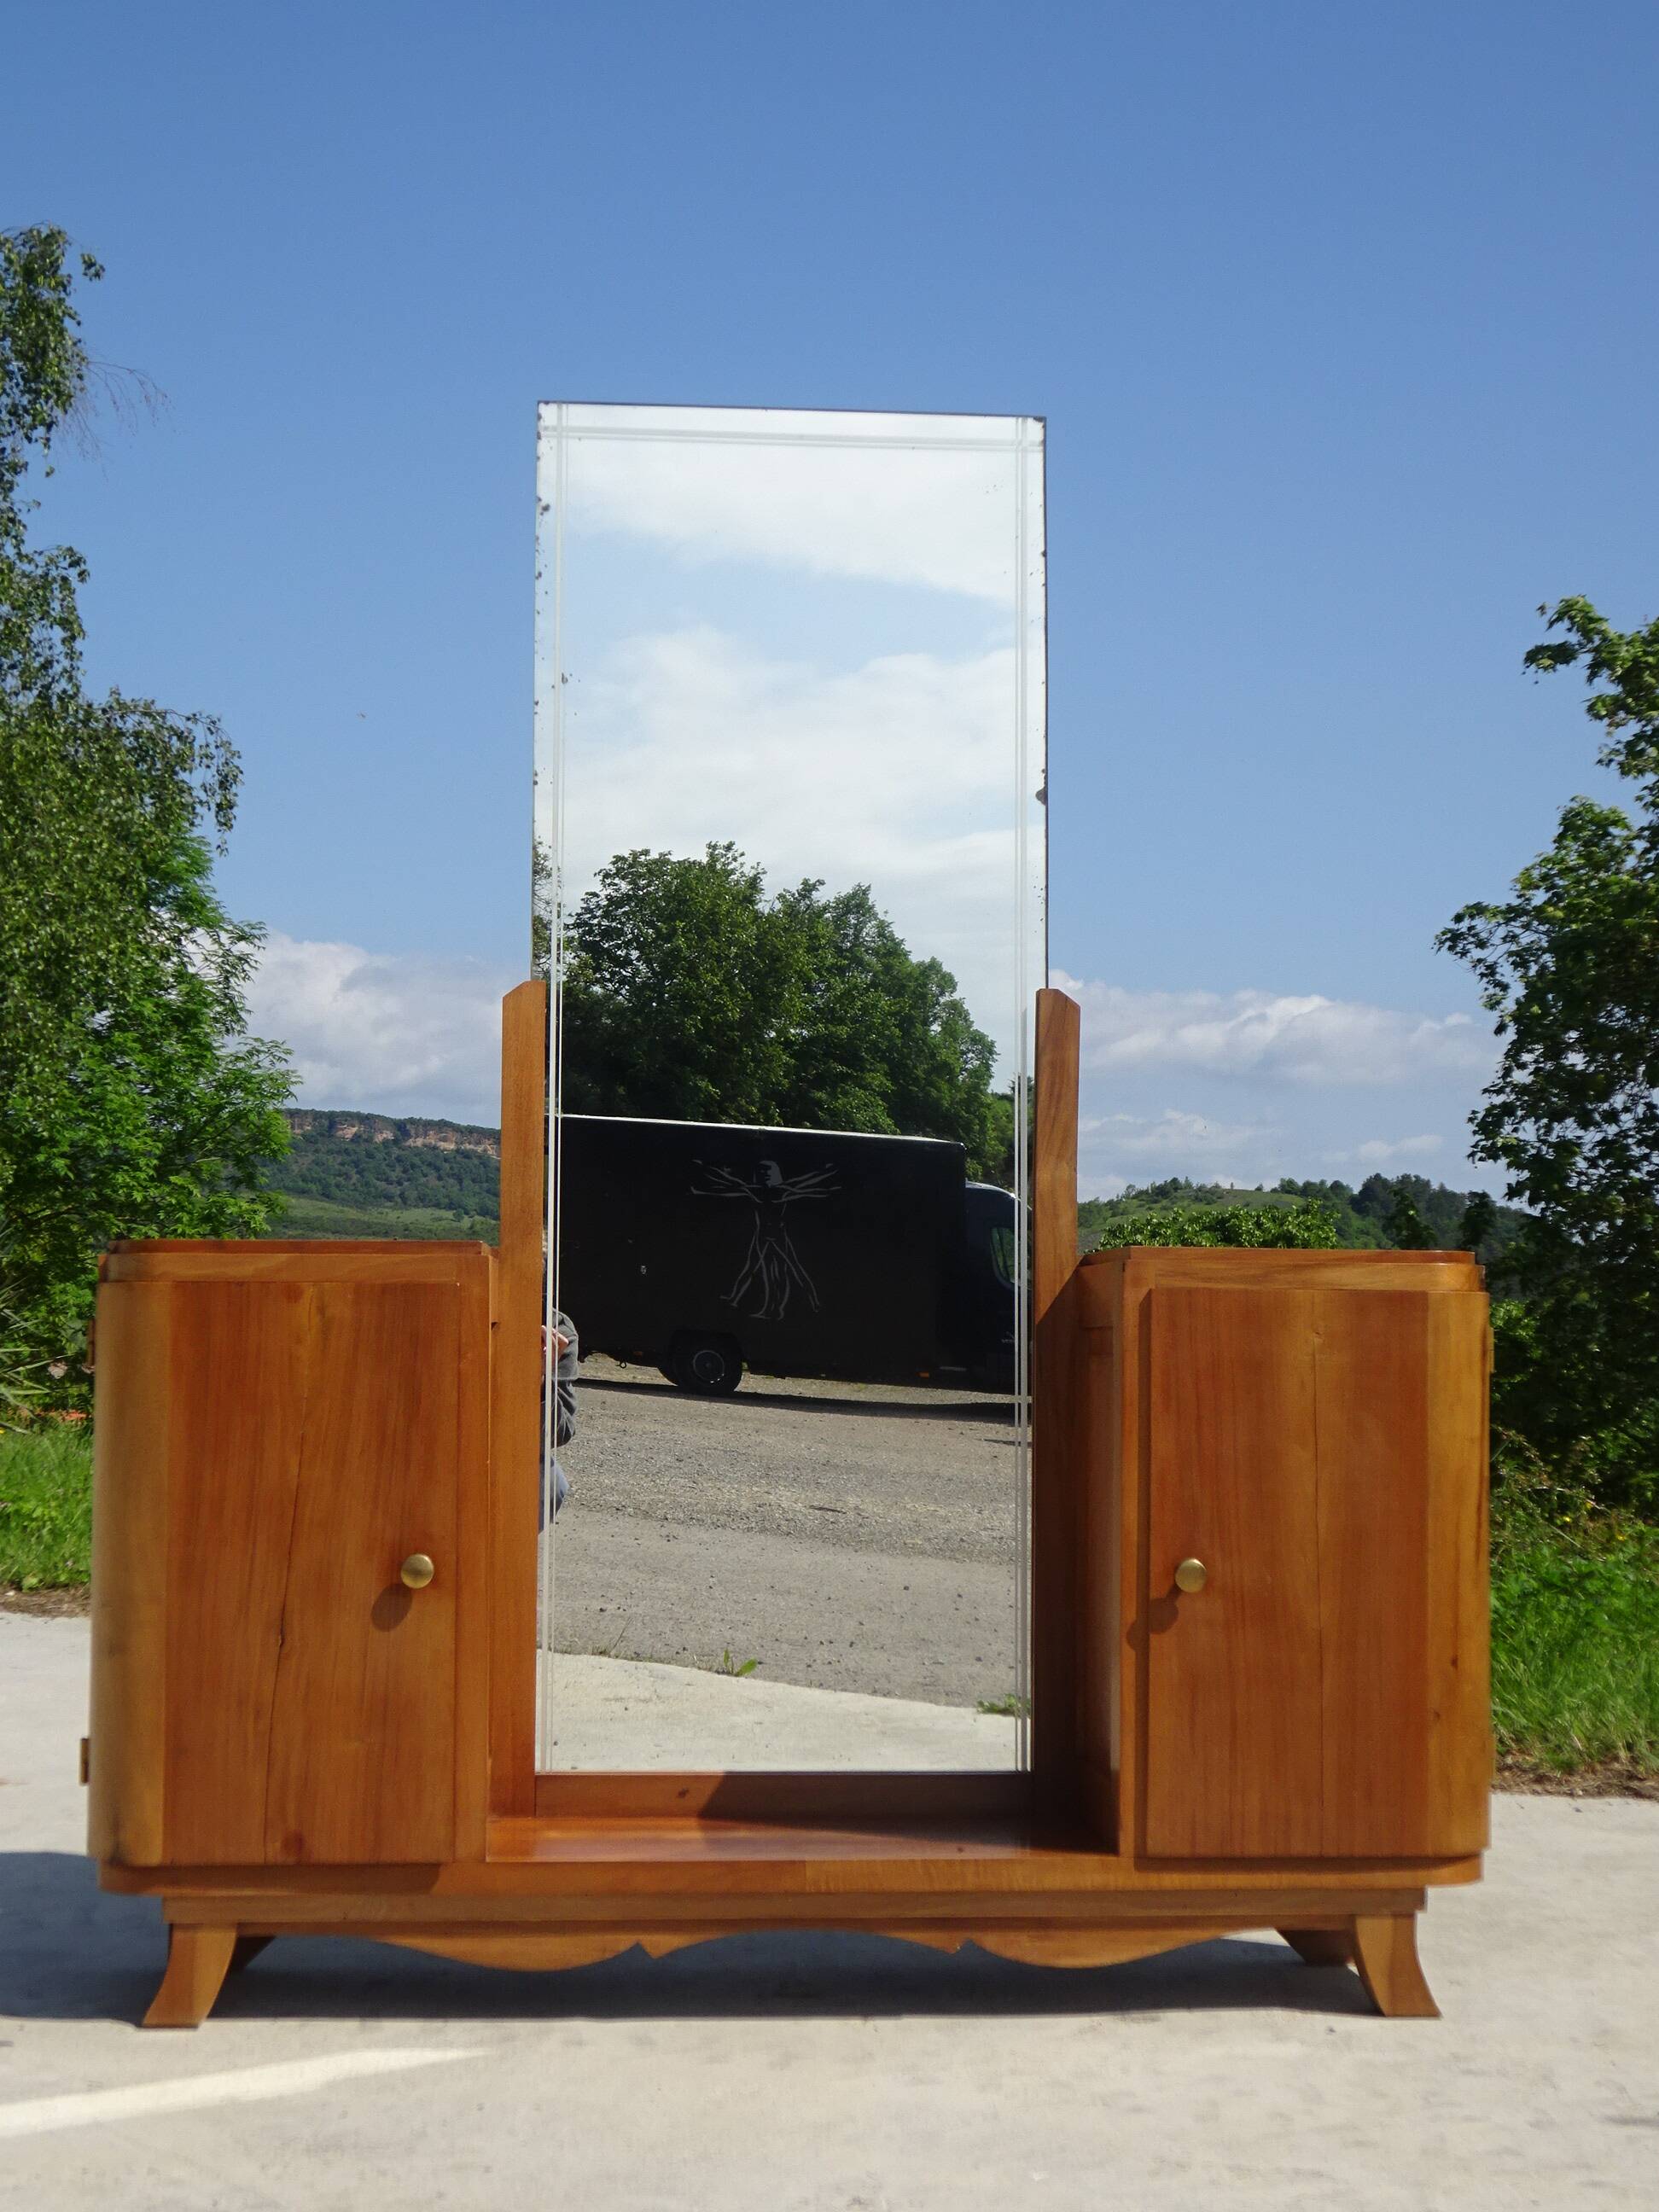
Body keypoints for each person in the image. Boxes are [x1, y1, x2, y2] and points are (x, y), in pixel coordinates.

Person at [540, 1313, 578, 1520]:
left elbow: (558, 1435)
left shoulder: (557, 1327)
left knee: (551, 1485)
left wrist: (540, 1378)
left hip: (503, 1448)